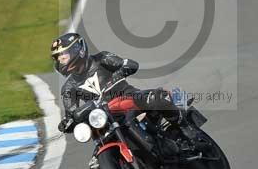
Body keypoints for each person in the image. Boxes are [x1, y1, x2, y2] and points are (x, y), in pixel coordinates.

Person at [50, 32, 179, 134]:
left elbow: (129, 64)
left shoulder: (101, 59)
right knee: (95, 166)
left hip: (128, 97)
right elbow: (72, 113)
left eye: (63, 56)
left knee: (157, 98)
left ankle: (184, 127)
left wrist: (120, 72)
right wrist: (68, 122)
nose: (61, 60)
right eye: (58, 58)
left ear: (78, 49)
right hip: (104, 118)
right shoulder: (68, 88)